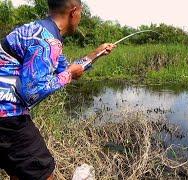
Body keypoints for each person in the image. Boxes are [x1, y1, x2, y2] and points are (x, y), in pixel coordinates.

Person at [0, 0, 116, 179]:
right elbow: (32, 92)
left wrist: (96, 54)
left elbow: (66, 68)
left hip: (6, 116)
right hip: (8, 117)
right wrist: (69, 74)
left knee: (20, 173)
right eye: (81, 14)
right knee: (42, 172)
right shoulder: (48, 42)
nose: (80, 18)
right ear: (74, 11)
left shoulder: (41, 31)